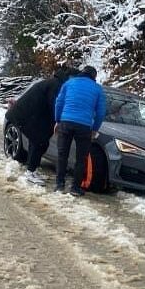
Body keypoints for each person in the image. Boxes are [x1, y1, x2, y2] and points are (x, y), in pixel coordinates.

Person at [6, 66, 72, 184]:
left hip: (30, 115)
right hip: (25, 115)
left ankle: (32, 170)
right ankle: (30, 172)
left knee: (39, 142)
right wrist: (58, 120)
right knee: (39, 142)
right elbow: (54, 104)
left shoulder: (54, 82)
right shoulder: (56, 85)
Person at [54, 65, 106, 196]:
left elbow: (59, 103)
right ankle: (75, 188)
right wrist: (94, 129)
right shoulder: (97, 89)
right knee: (81, 158)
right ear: (94, 77)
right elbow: (100, 113)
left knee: (62, 155)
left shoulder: (69, 83)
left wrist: (58, 120)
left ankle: (59, 185)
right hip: (84, 126)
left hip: (66, 122)